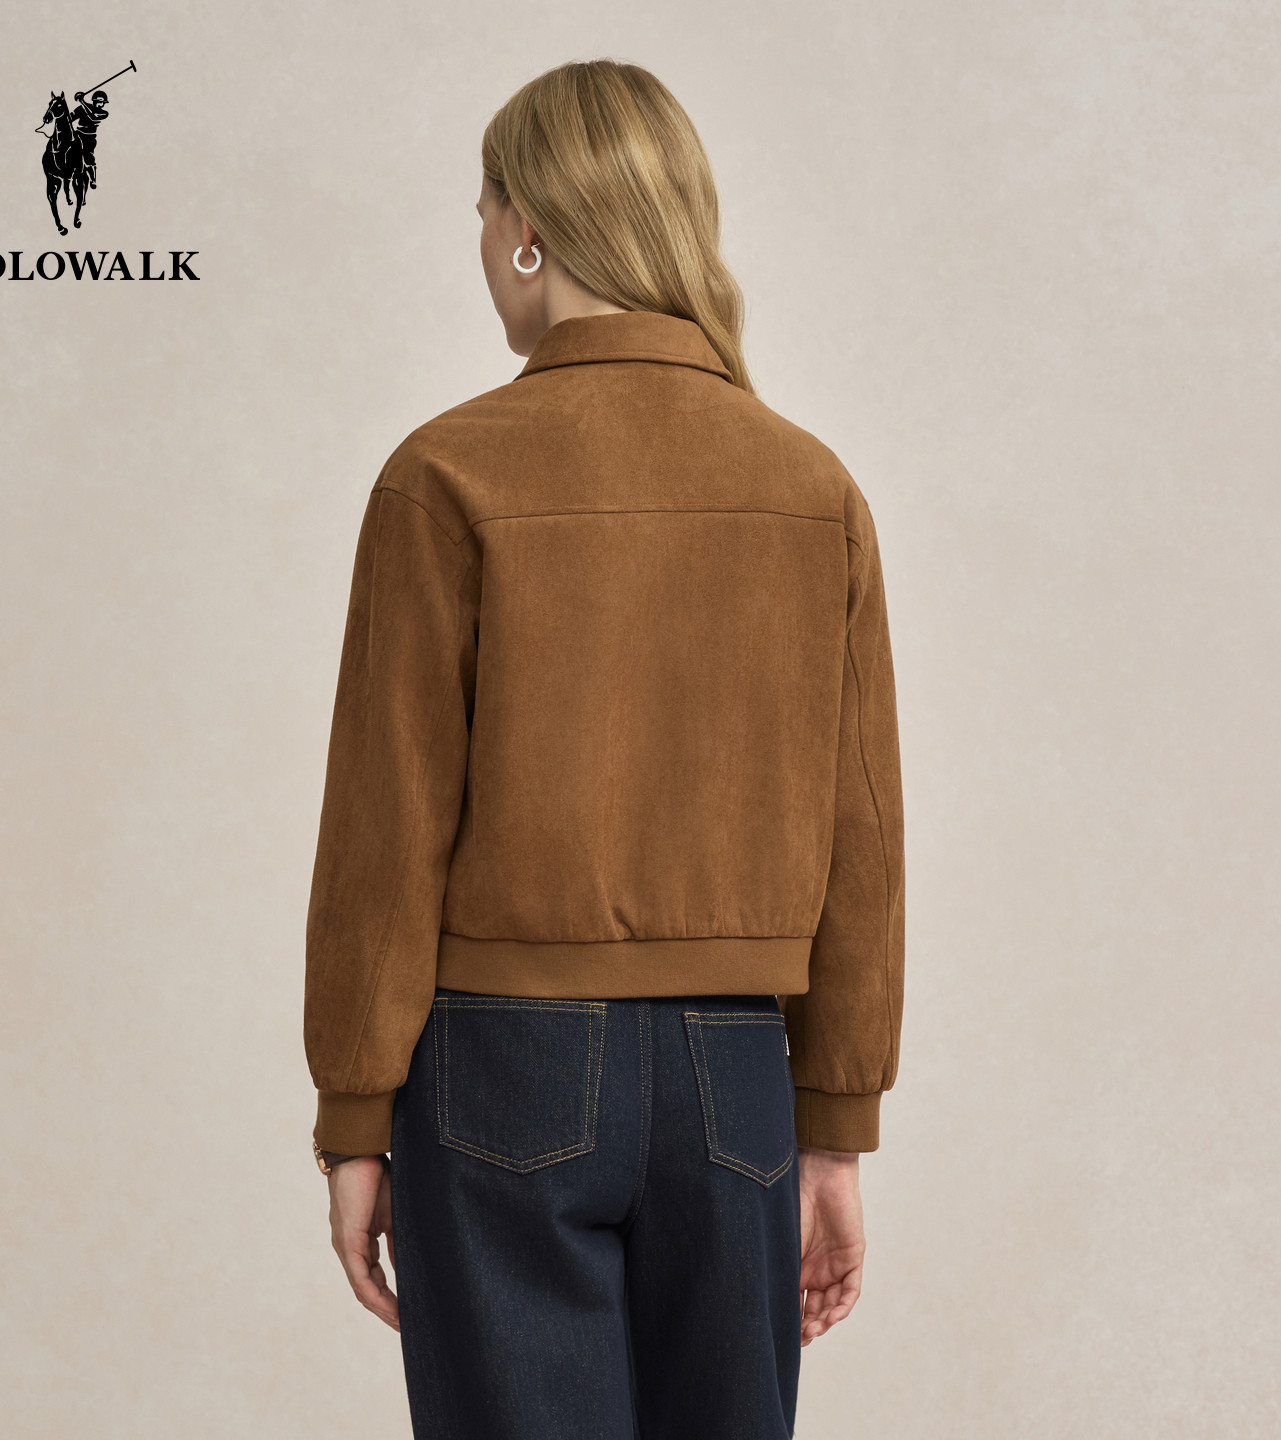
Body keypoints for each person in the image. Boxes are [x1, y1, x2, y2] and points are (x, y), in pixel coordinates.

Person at [304, 58, 906, 1440]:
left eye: (482, 215)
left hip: (498, 1068)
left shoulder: (446, 474)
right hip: (737, 1081)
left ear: (527, 227)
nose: (482, 247)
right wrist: (834, 1127)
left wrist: (354, 1117)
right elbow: (860, 837)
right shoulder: (813, 489)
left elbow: (386, 831)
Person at [70, 90, 108, 189]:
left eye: (103, 102)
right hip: (78, 134)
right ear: (94, 101)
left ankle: (92, 179)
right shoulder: (82, 108)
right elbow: (70, 118)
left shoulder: (103, 113)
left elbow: (93, 116)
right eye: (99, 102)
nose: (101, 104)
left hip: (89, 138)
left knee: (88, 157)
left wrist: (82, 101)